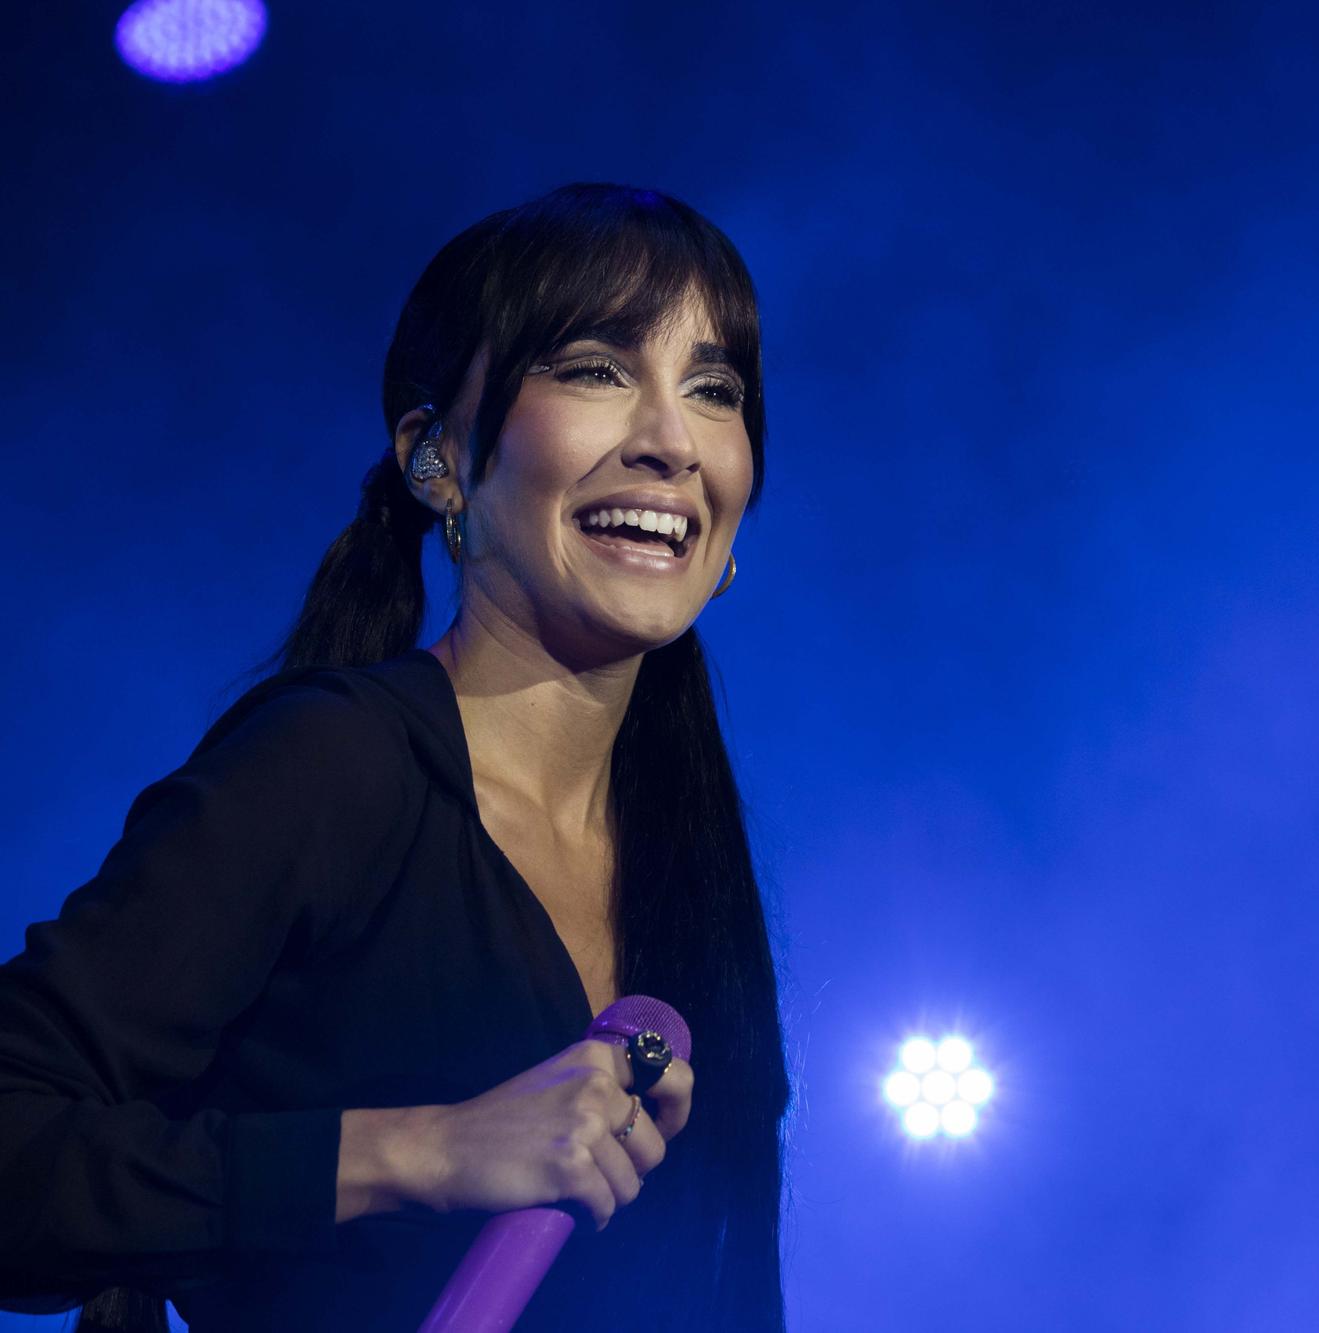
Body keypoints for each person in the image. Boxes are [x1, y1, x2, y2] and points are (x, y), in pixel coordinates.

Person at [0, 183, 793, 1331]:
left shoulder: (687, 853)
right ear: (437, 461)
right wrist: (424, 1148)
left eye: (714, 390)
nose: (671, 441)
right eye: (593, 369)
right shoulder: (331, 766)